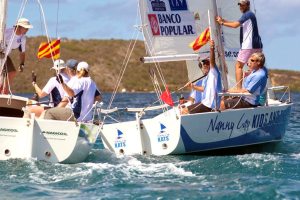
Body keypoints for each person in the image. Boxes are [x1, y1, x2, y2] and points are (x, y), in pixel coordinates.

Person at [216, 0, 263, 89]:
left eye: (242, 5)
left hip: (248, 46)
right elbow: (235, 22)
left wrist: (221, 23)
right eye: (240, 5)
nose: (241, 7)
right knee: (256, 67)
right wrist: (223, 20)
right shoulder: (249, 15)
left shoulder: (247, 14)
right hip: (257, 45)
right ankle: (257, 89)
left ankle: (239, 89)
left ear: (248, 5)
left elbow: (235, 25)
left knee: (238, 66)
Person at [181, 40, 222, 114]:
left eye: (207, 63)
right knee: (183, 110)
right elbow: (204, 89)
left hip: (209, 105)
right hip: (206, 104)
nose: (205, 65)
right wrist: (193, 86)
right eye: (204, 63)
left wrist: (212, 48)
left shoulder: (214, 72)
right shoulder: (207, 77)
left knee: (184, 111)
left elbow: (212, 62)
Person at [0, 18, 33, 94]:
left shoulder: (22, 38)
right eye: (26, 28)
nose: (28, 30)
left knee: (12, 72)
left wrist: (22, 64)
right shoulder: (6, 32)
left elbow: (22, 52)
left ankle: (4, 91)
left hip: (4, 56)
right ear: (19, 26)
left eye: (28, 28)